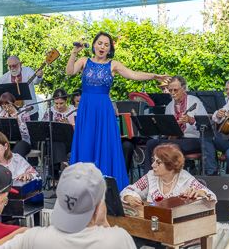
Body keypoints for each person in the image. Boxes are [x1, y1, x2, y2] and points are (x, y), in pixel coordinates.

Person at [66, 31, 169, 191]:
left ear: (109, 49)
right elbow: (70, 71)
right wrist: (74, 53)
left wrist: (154, 76)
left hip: (104, 110)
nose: (102, 47)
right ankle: (82, 187)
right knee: (86, 144)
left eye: (106, 45)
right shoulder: (84, 60)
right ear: (94, 45)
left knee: (105, 145)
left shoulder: (113, 64)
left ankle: (107, 188)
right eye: (100, 43)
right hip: (87, 109)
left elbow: (133, 74)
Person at [0, 163, 136, 249]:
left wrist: (21, 233)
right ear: (98, 207)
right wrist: (104, 223)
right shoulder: (119, 239)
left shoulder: (34, 238)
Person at [143, 75, 208, 174]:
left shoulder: (194, 102)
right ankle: (148, 177)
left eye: (175, 90)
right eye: (170, 90)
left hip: (194, 139)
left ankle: (168, 175)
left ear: (184, 89)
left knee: (169, 145)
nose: (172, 93)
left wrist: (191, 120)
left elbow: (205, 125)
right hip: (176, 139)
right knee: (151, 143)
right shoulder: (170, 105)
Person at [121, 143, 216, 204]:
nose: (153, 165)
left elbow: (212, 198)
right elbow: (128, 190)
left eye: (158, 162)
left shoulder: (186, 179)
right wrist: (128, 197)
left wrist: (199, 193)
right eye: (153, 160)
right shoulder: (151, 176)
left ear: (171, 165)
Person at [0, 55, 43, 121]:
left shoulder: (28, 71)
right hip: (14, 114)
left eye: (14, 66)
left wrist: (39, 76)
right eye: (10, 66)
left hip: (31, 111)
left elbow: (36, 81)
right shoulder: (6, 76)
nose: (12, 68)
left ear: (20, 64)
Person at [41, 88, 74, 181]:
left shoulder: (73, 111)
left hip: (68, 143)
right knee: (54, 141)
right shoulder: (49, 111)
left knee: (55, 143)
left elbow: (78, 133)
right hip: (53, 142)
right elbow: (43, 128)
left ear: (66, 100)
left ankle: (54, 178)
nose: (59, 106)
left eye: (61, 103)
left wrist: (69, 125)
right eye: (56, 103)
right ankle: (63, 162)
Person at [0, 92, 31, 158]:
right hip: (5, 141)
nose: (6, 109)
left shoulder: (23, 112)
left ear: (13, 103)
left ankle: (16, 168)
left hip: (22, 141)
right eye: (4, 107)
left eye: (9, 106)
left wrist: (17, 121)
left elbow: (28, 133)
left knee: (17, 152)